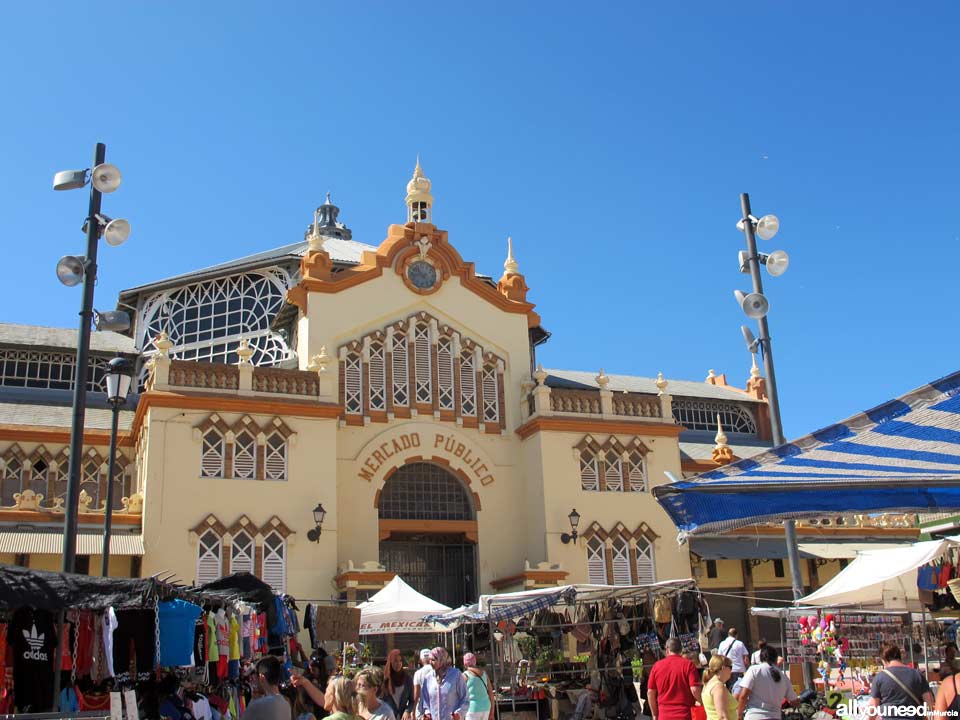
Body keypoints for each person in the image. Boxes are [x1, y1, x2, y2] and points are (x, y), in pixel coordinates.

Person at [869, 644, 933, 718]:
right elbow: (929, 702)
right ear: (899, 657)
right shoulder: (917, 675)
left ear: (884, 660)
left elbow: (873, 708)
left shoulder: (879, 677)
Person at [647, 637, 702, 720]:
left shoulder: (656, 666)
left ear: (667, 650)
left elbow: (650, 692)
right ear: (681, 650)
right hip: (685, 715)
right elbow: (694, 689)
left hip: (664, 715)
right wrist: (702, 702)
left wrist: (654, 714)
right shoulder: (688, 665)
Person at [736, 645, 797, 720]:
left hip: (755, 716)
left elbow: (743, 695)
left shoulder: (754, 670)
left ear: (761, 658)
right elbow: (794, 701)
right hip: (775, 716)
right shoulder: (783, 677)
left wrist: (739, 715)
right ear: (775, 659)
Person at [418, 647, 468, 720]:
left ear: (442, 659)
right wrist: (427, 714)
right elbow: (425, 701)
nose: (430, 663)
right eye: (430, 660)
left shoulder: (456, 675)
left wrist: (459, 714)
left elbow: (465, 699)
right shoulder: (428, 678)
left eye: (434, 660)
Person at [243, 656, 294, 720]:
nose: (255, 682)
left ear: (261, 678)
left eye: (256, 677)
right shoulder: (286, 704)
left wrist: (253, 700)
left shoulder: (258, 705)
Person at [292, 675, 358, 720]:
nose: (325, 695)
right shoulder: (358, 718)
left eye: (327, 691)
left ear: (332, 696)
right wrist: (305, 683)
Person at [383, 650, 415, 720]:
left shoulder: (407, 679)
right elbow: (379, 701)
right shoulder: (384, 680)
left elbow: (412, 701)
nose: (398, 664)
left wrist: (407, 711)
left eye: (400, 661)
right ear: (390, 662)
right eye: (395, 661)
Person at [462, 653, 494, 720]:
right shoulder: (484, 674)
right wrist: (492, 713)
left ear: (465, 664)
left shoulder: (465, 675)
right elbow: (491, 694)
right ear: (475, 662)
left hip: (473, 709)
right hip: (486, 707)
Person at [413, 649, 433, 715]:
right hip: (435, 709)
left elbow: (416, 694)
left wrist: (413, 711)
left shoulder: (418, 673)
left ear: (421, 660)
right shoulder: (437, 671)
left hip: (422, 710)